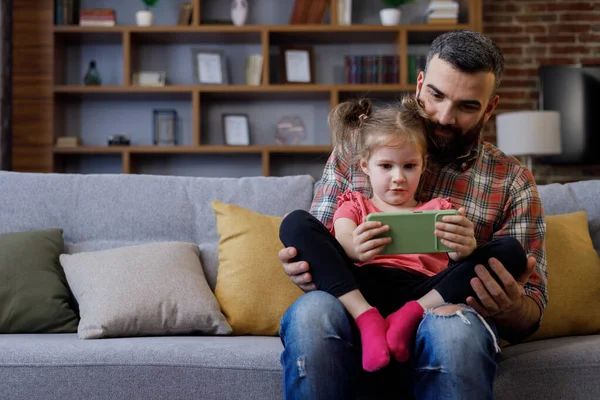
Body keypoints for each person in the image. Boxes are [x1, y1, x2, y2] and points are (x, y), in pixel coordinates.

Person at [278, 30, 547, 399]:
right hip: (358, 298)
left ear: (490, 107)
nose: (444, 117)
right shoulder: (356, 150)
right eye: (436, 95)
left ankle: (406, 318)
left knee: (460, 320)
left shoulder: (513, 180)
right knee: (311, 310)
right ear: (420, 83)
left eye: (467, 106)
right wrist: (306, 264)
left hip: (436, 304)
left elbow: (531, 310)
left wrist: (508, 300)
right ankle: (371, 321)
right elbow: (320, 244)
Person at [279, 95, 528, 374]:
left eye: (409, 166)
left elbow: (456, 257)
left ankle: (409, 316)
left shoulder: (440, 209)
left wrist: (463, 249)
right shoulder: (354, 204)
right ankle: (366, 318)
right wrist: (355, 249)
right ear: (365, 166)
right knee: (294, 223)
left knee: (510, 251)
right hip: (361, 287)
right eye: (386, 166)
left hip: (424, 291)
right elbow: (343, 237)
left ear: (423, 165)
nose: (398, 177)